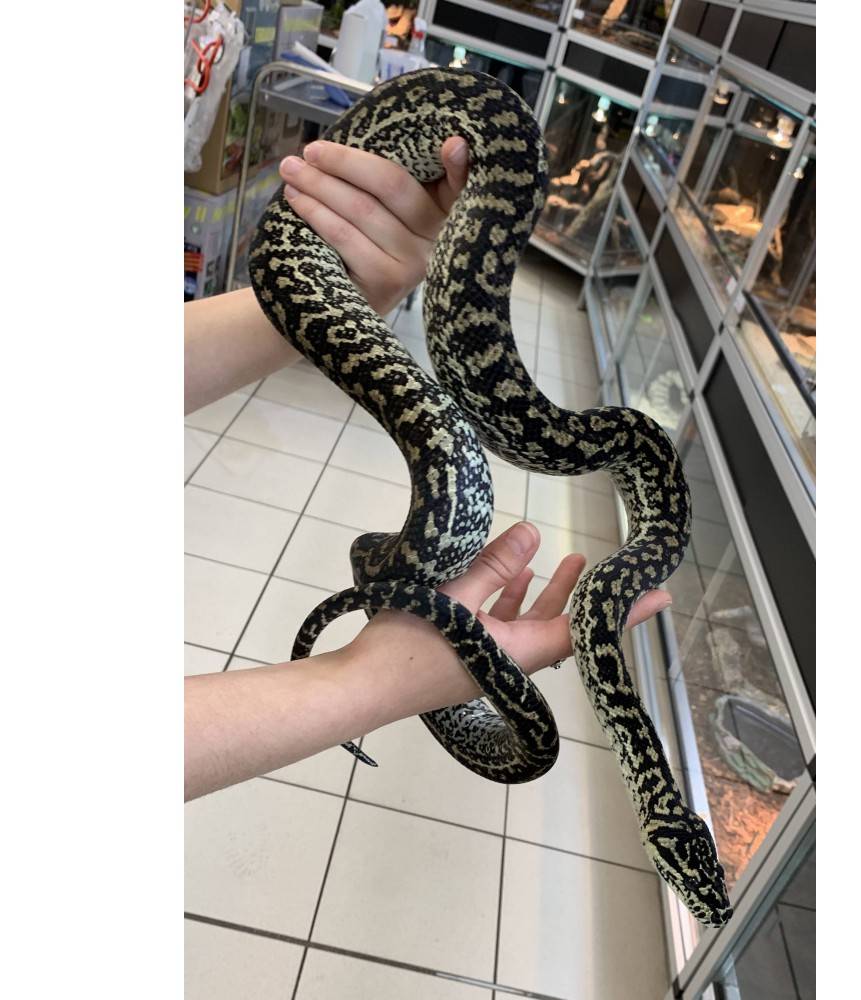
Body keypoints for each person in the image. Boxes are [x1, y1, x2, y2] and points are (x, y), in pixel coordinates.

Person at [184, 136, 672, 801]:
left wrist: (337, 299)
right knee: (409, 526)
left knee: (405, 532)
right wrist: (375, 681)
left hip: (316, 281)